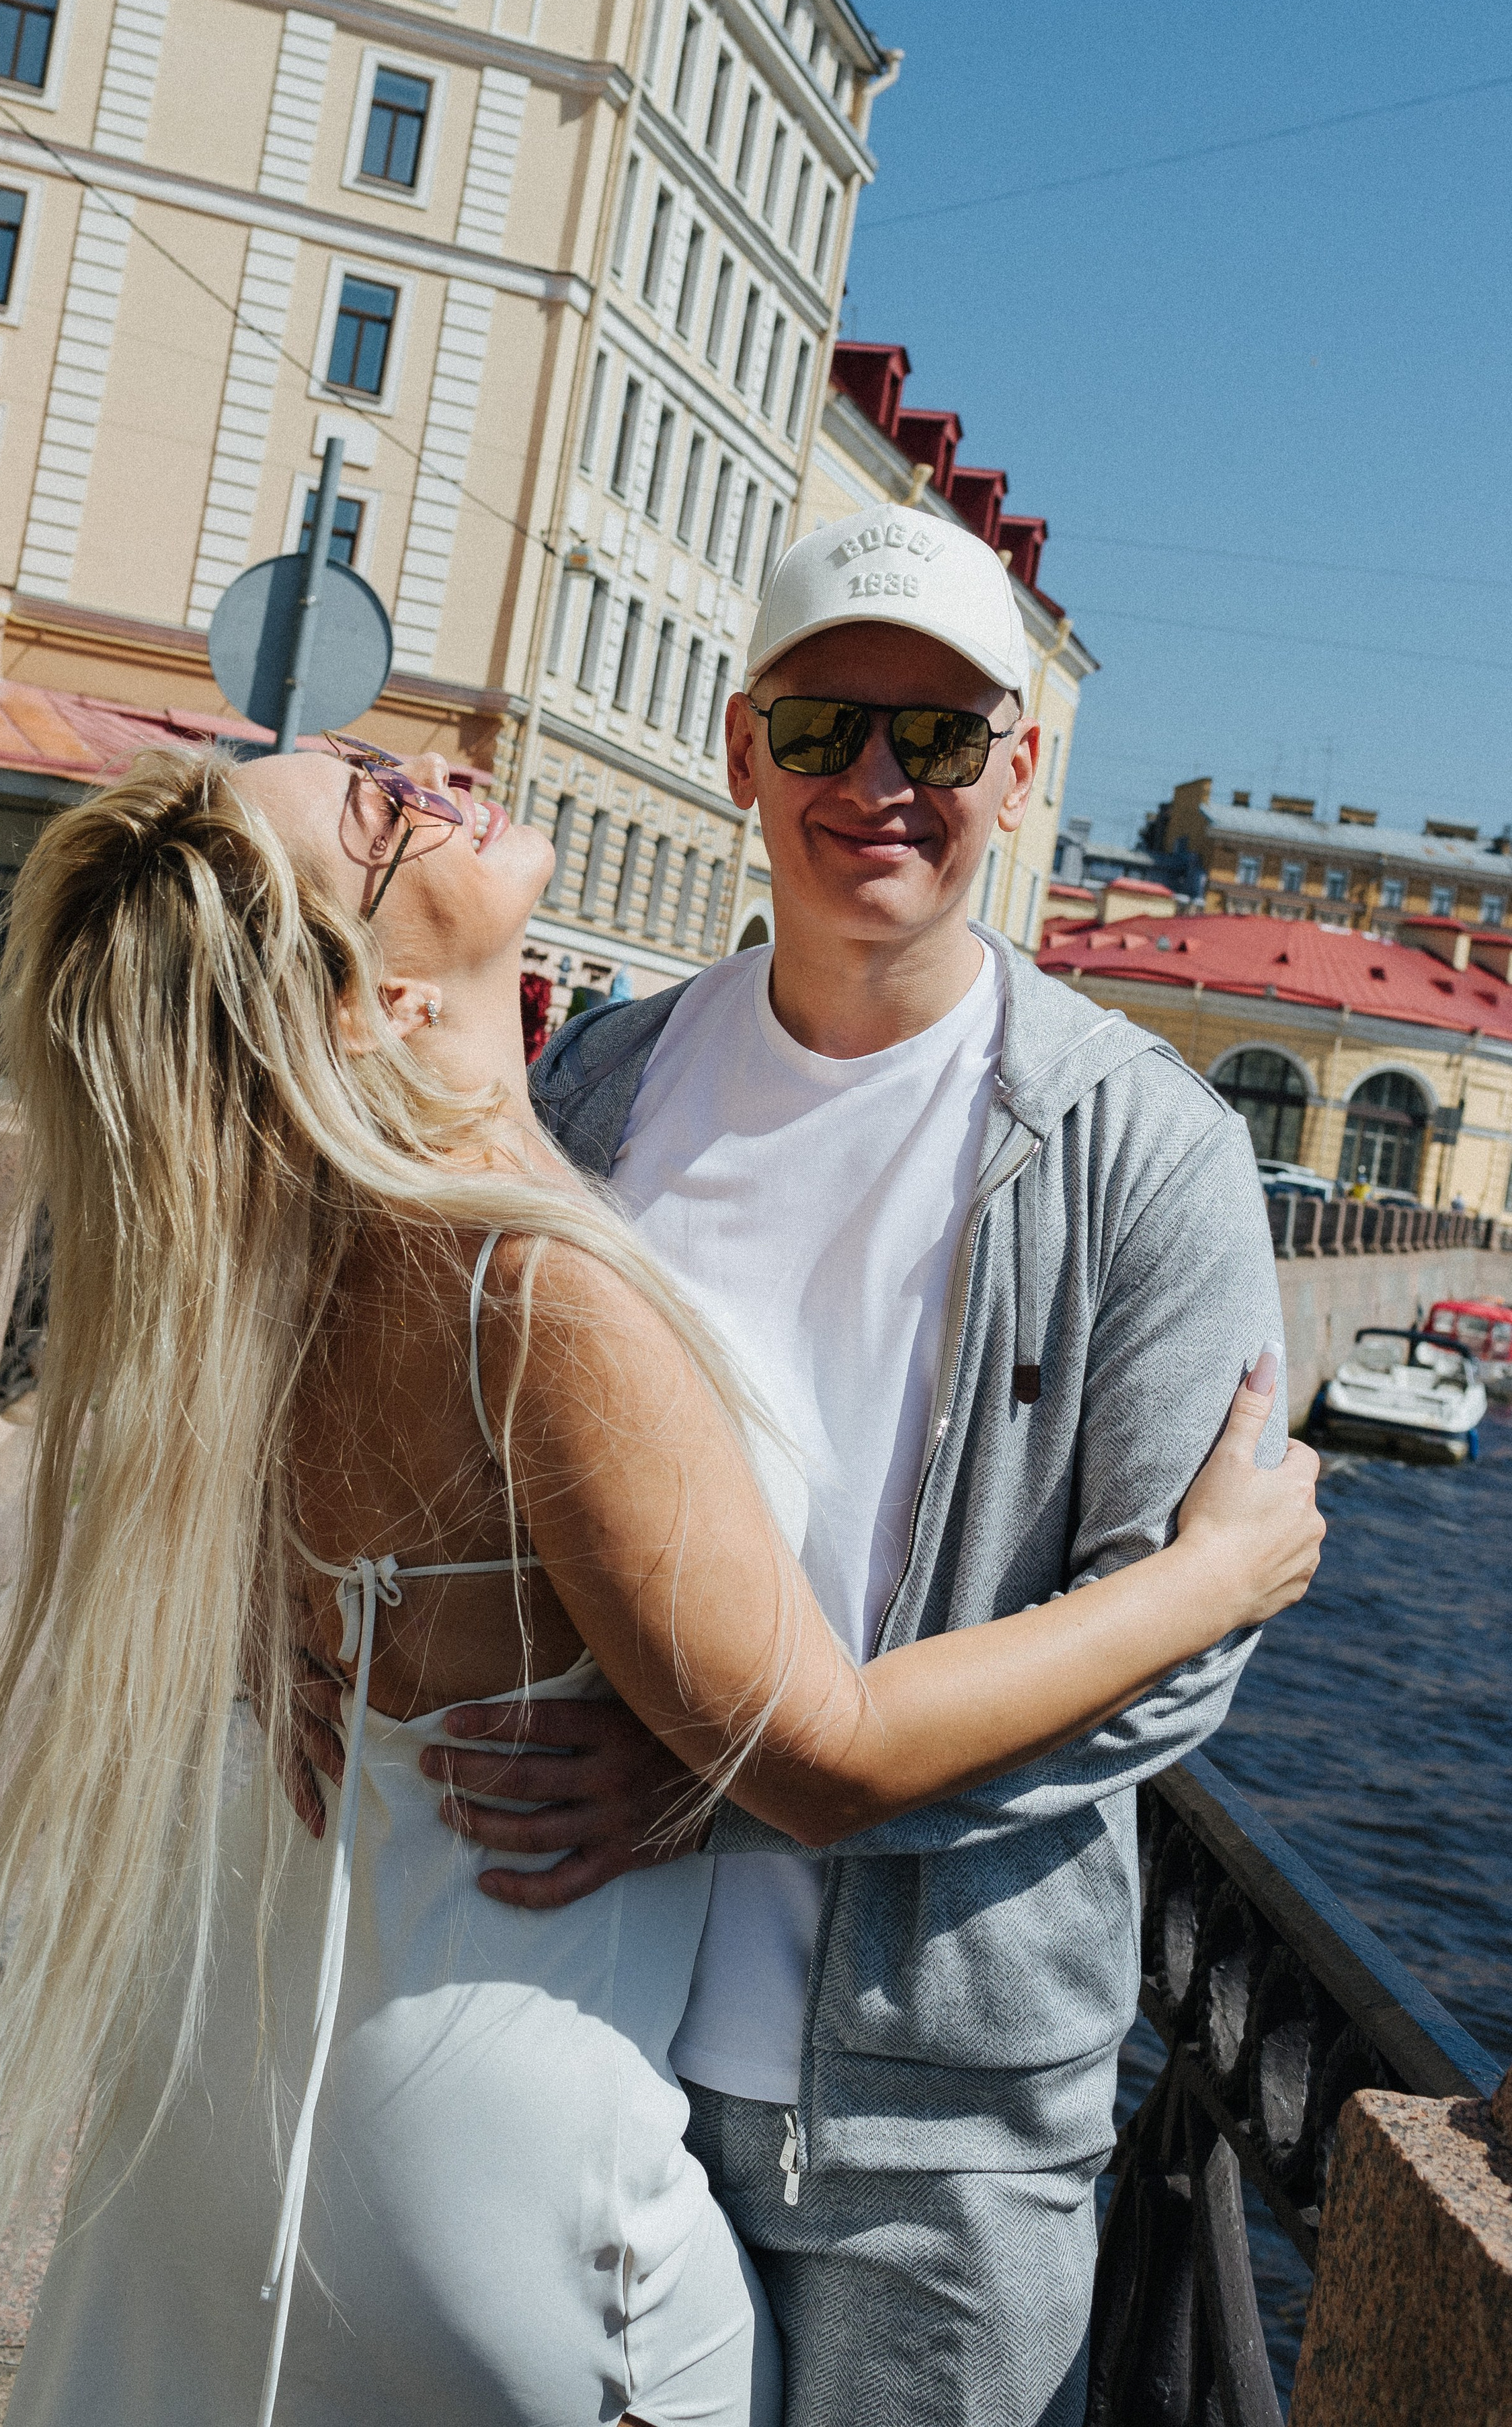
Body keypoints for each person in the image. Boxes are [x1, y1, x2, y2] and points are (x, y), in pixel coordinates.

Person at [0, 733, 1320, 2427]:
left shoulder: (298, 1242)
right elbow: (827, 1755)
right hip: (500, 2160)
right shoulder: (527, 1276)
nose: (437, 770)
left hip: (230, 2073)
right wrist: (1216, 1573)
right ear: (379, 1007)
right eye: (383, 809)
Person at [317, 502, 1305, 2427]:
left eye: (938, 740)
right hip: (580, 2014)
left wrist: (734, 1787)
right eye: (826, 727)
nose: (880, 784)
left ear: (1018, 771)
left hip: (932, 2131)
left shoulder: (1138, 1149)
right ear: (740, 743)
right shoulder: (600, 1085)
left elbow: (1176, 1641)